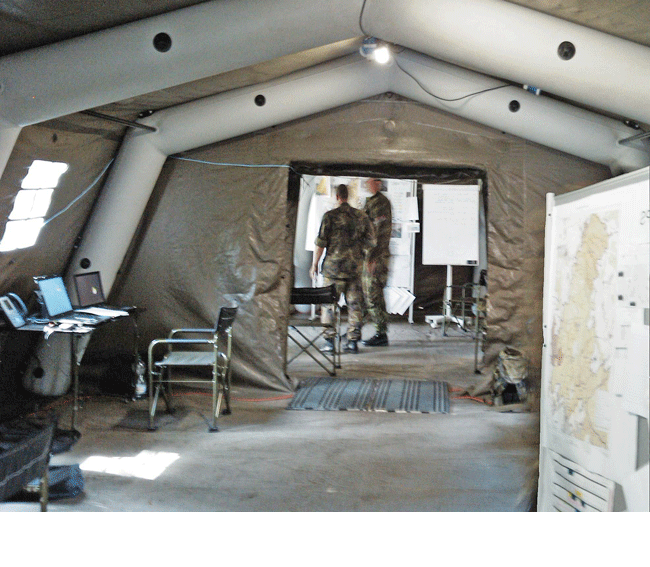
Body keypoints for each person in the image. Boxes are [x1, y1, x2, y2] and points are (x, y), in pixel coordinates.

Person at [310, 183, 375, 353]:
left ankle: (329, 342)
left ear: (337, 197)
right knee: (355, 306)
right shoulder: (361, 216)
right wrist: (366, 261)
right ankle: (352, 342)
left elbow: (320, 243)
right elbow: (371, 243)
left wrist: (314, 264)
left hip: (333, 270)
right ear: (348, 196)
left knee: (328, 306)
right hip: (354, 270)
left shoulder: (329, 216)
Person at [361, 178, 393, 347]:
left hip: (376, 258)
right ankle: (356, 329)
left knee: (373, 294)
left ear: (378, 183)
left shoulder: (380, 203)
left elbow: (379, 233)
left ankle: (381, 333)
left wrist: (372, 258)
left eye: (370, 181)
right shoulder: (372, 201)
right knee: (367, 294)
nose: (367, 184)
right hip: (369, 256)